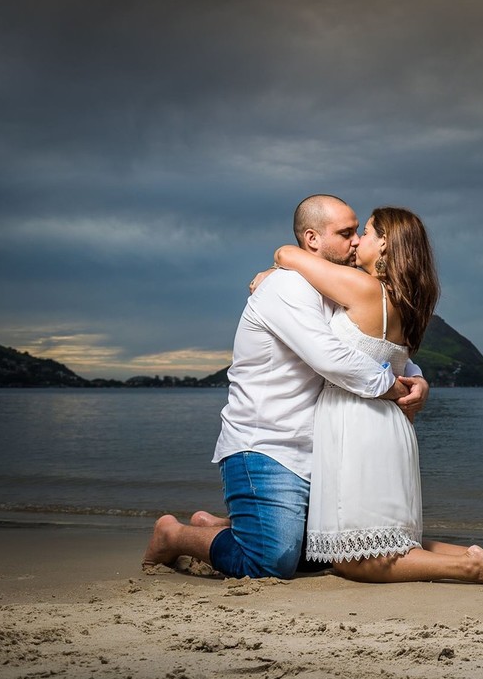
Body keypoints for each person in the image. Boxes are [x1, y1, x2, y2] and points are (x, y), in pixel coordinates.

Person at [142, 194, 428, 579]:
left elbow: (370, 344)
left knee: (337, 549)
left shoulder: (335, 288)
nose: (357, 241)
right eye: (346, 234)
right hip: (268, 444)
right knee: (272, 561)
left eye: (359, 232)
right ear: (312, 239)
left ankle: (230, 526)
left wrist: (417, 377)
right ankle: (174, 535)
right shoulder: (287, 288)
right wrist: (391, 387)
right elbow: (330, 357)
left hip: (320, 451)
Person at [266, 206, 483, 585]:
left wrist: (272, 272)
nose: (357, 242)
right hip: (390, 424)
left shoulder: (363, 288)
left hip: (357, 420)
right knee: (389, 541)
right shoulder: (405, 302)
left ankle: (469, 567)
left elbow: (286, 253)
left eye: (366, 232)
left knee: (355, 561)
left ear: (384, 243)